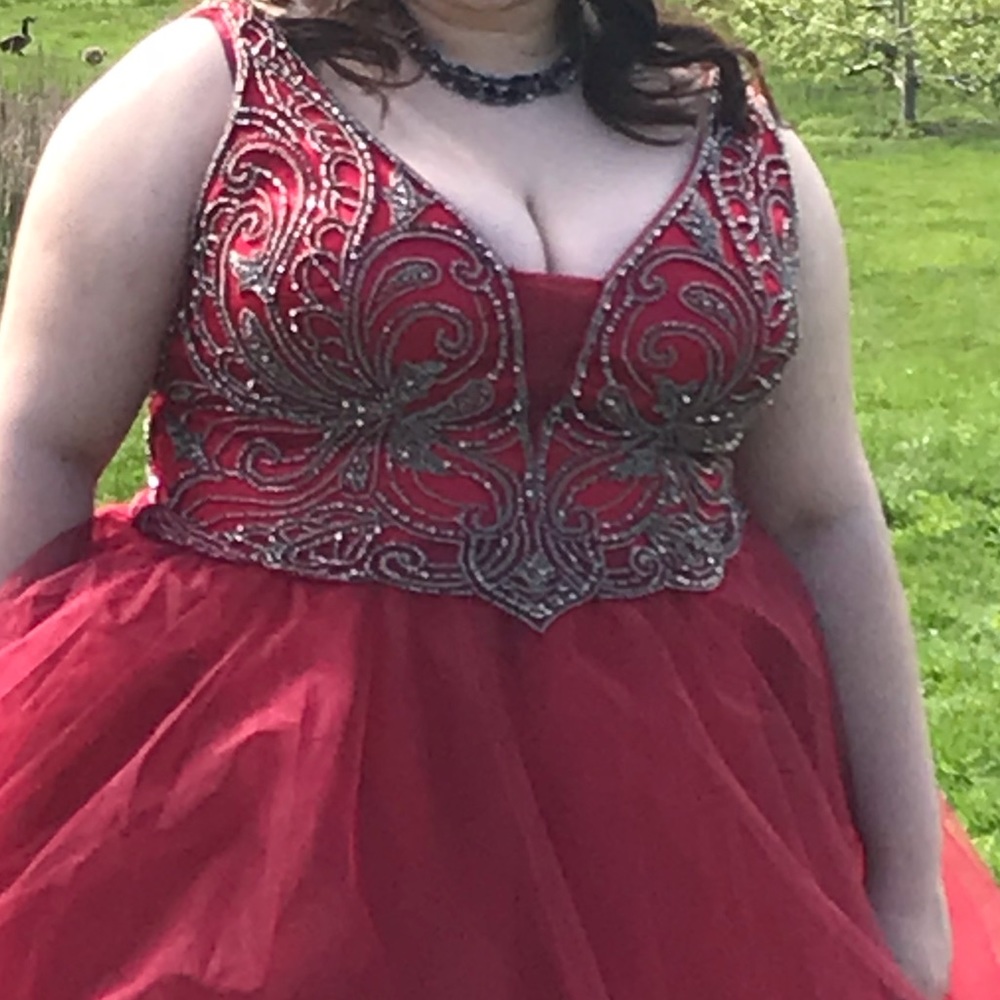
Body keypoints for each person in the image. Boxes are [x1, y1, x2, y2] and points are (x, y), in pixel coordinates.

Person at [0, 0, 998, 996]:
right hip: (263, 818)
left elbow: (822, 513)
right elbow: (37, 443)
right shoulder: (205, 92)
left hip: (677, 827)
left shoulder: (737, 141)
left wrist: (908, 887)